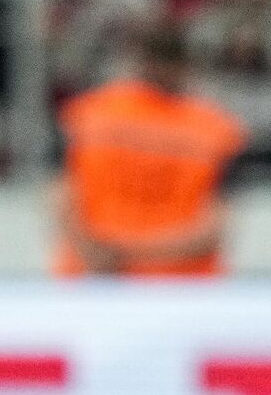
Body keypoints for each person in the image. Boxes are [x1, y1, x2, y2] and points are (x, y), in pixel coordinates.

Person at [53, 24, 247, 278]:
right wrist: (133, 254)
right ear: (186, 65)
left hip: (94, 278)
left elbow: (61, 198)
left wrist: (98, 252)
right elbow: (213, 228)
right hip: (179, 283)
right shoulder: (217, 129)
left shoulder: (90, 113)